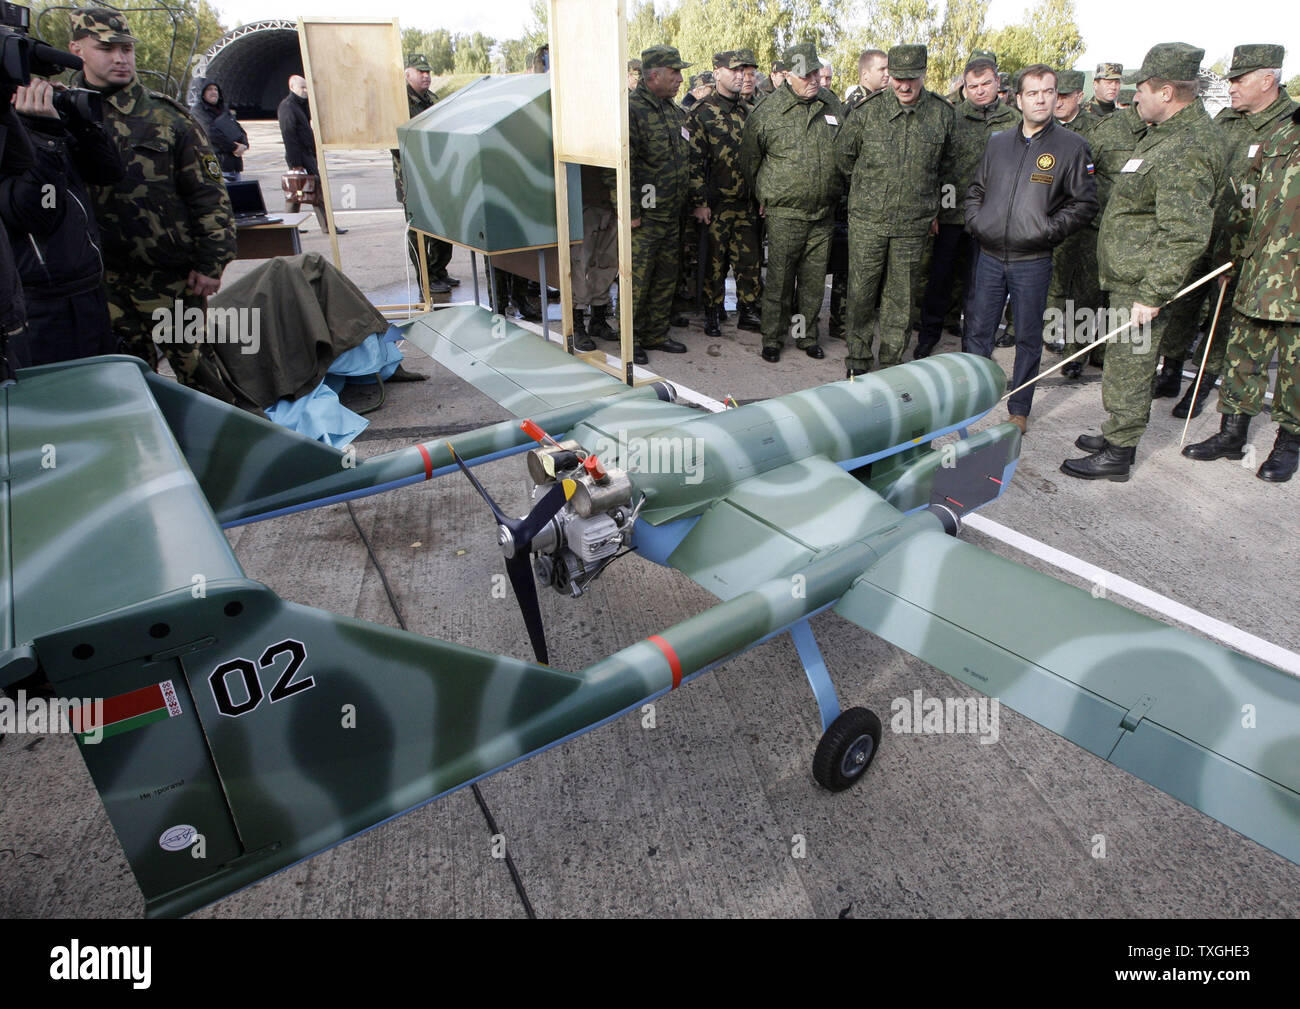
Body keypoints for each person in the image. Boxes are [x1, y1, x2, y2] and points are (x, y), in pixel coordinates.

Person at [1062, 43, 1226, 481]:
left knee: (1133, 363)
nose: (1135, 98)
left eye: (1143, 90)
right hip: (1130, 274)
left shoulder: (1188, 147)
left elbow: (1186, 231)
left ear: (1168, 92)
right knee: (1122, 361)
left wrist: (1153, 293)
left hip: (1143, 282)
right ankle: (1118, 429)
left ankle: (1119, 452)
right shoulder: (1165, 136)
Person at [68, 7, 236, 399]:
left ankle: (233, 450)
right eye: (107, 49)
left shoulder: (167, 118)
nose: (121, 58)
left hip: (170, 277)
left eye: (127, 48)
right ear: (77, 49)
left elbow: (209, 195)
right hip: (101, 279)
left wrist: (213, 262)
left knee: (199, 372)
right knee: (125, 378)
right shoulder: (62, 113)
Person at [965, 64, 1098, 434]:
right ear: (1018, 98)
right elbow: (976, 189)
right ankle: (972, 398)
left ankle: (1019, 406)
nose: (1041, 99)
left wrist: (1047, 230)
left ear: (1057, 96)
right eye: (1033, 93)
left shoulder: (1071, 147)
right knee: (979, 331)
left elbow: (1085, 204)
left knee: (1026, 336)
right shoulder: (997, 142)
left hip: (1033, 260)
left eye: (1048, 92)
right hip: (990, 256)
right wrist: (978, 221)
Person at [1167, 44, 1296, 419]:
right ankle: (1171, 370)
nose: (1232, 87)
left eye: (1240, 79)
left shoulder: (1286, 126)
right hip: (1206, 230)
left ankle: (1202, 383)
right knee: (1183, 304)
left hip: (1252, 247)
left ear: (1268, 80)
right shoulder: (1224, 120)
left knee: (1225, 318)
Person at [1183, 104, 1300, 481]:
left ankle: (1289, 443)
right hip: (1259, 272)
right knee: (1242, 357)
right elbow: (1247, 198)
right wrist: (1229, 257)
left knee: (1295, 370)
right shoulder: (1281, 135)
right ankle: (1232, 434)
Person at [836, 44, 956, 376]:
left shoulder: (942, 114)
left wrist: (931, 208)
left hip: (912, 225)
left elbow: (947, 167)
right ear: (890, 76)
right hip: (868, 221)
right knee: (861, 293)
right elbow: (843, 159)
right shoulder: (866, 112)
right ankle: (858, 360)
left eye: (912, 79)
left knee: (901, 299)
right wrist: (869, 192)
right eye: (898, 78)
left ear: (923, 75)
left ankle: (890, 362)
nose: (904, 86)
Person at [1, 76, 123, 366]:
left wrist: (79, 122)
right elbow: (38, 213)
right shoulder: (12, 135)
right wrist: (42, 135)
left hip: (89, 292)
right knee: (63, 400)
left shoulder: (48, 129)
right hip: (42, 308)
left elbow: (109, 171)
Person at [740, 41, 844, 363]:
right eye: (805, 75)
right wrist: (763, 196)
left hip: (823, 213)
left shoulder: (831, 105)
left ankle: (805, 335)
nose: (814, 79)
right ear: (787, 75)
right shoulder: (767, 113)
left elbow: (845, 150)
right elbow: (749, 162)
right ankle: (773, 338)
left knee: (813, 284)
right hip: (785, 212)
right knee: (781, 281)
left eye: (816, 72)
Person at [915, 53, 1019, 359]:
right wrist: (934, 209)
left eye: (986, 83)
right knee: (940, 278)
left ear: (997, 82)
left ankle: (973, 346)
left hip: (992, 218)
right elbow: (935, 165)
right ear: (964, 87)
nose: (980, 91)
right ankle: (928, 335)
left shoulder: (1013, 121)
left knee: (981, 285)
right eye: (972, 86)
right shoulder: (952, 117)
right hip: (951, 213)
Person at [689, 49, 762, 337]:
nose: (741, 75)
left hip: (745, 202)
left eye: (746, 70)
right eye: (734, 70)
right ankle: (712, 312)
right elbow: (693, 162)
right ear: (717, 73)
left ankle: (748, 311)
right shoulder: (701, 113)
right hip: (716, 203)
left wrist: (761, 196)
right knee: (714, 263)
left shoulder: (749, 113)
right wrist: (699, 202)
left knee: (749, 261)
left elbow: (760, 158)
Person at [628, 45, 693, 364]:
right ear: (653, 75)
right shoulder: (631, 110)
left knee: (666, 274)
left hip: (671, 211)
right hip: (646, 213)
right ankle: (632, 337)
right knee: (639, 278)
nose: (681, 78)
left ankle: (655, 332)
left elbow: (684, 158)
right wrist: (630, 211)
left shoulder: (673, 110)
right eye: (675, 72)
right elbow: (622, 164)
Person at [393, 54, 453, 295]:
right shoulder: (400, 104)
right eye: (421, 72)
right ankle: (425, 278)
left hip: (435, 174)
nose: (426, 75)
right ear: (408, 74)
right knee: (419, 231)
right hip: (412, 176)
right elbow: (395, 142)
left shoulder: (430, 100)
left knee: (443, 227)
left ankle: (439, 270)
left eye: (428, 71)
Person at [277, 74, 342, 234]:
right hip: (299, 156)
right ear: (292, 87)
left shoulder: (299, 105)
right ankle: (325, 227)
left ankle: (289, 227)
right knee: (312, 190)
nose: (306, 91)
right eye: (302, 87)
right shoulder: (288, 106)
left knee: (298, 193)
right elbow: (289, 136)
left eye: (307, 87)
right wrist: (296, 163)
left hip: (306, 154)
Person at [189, 80, 247, 180]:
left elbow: (237, 128)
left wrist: (244, 144)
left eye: (216, 89)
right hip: (216, 164)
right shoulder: (198, 110)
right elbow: (210, 133)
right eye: (209, 89)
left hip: (234, 164)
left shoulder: (224, 108)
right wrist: (234, 147)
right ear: (202, 94)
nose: (214, 92)